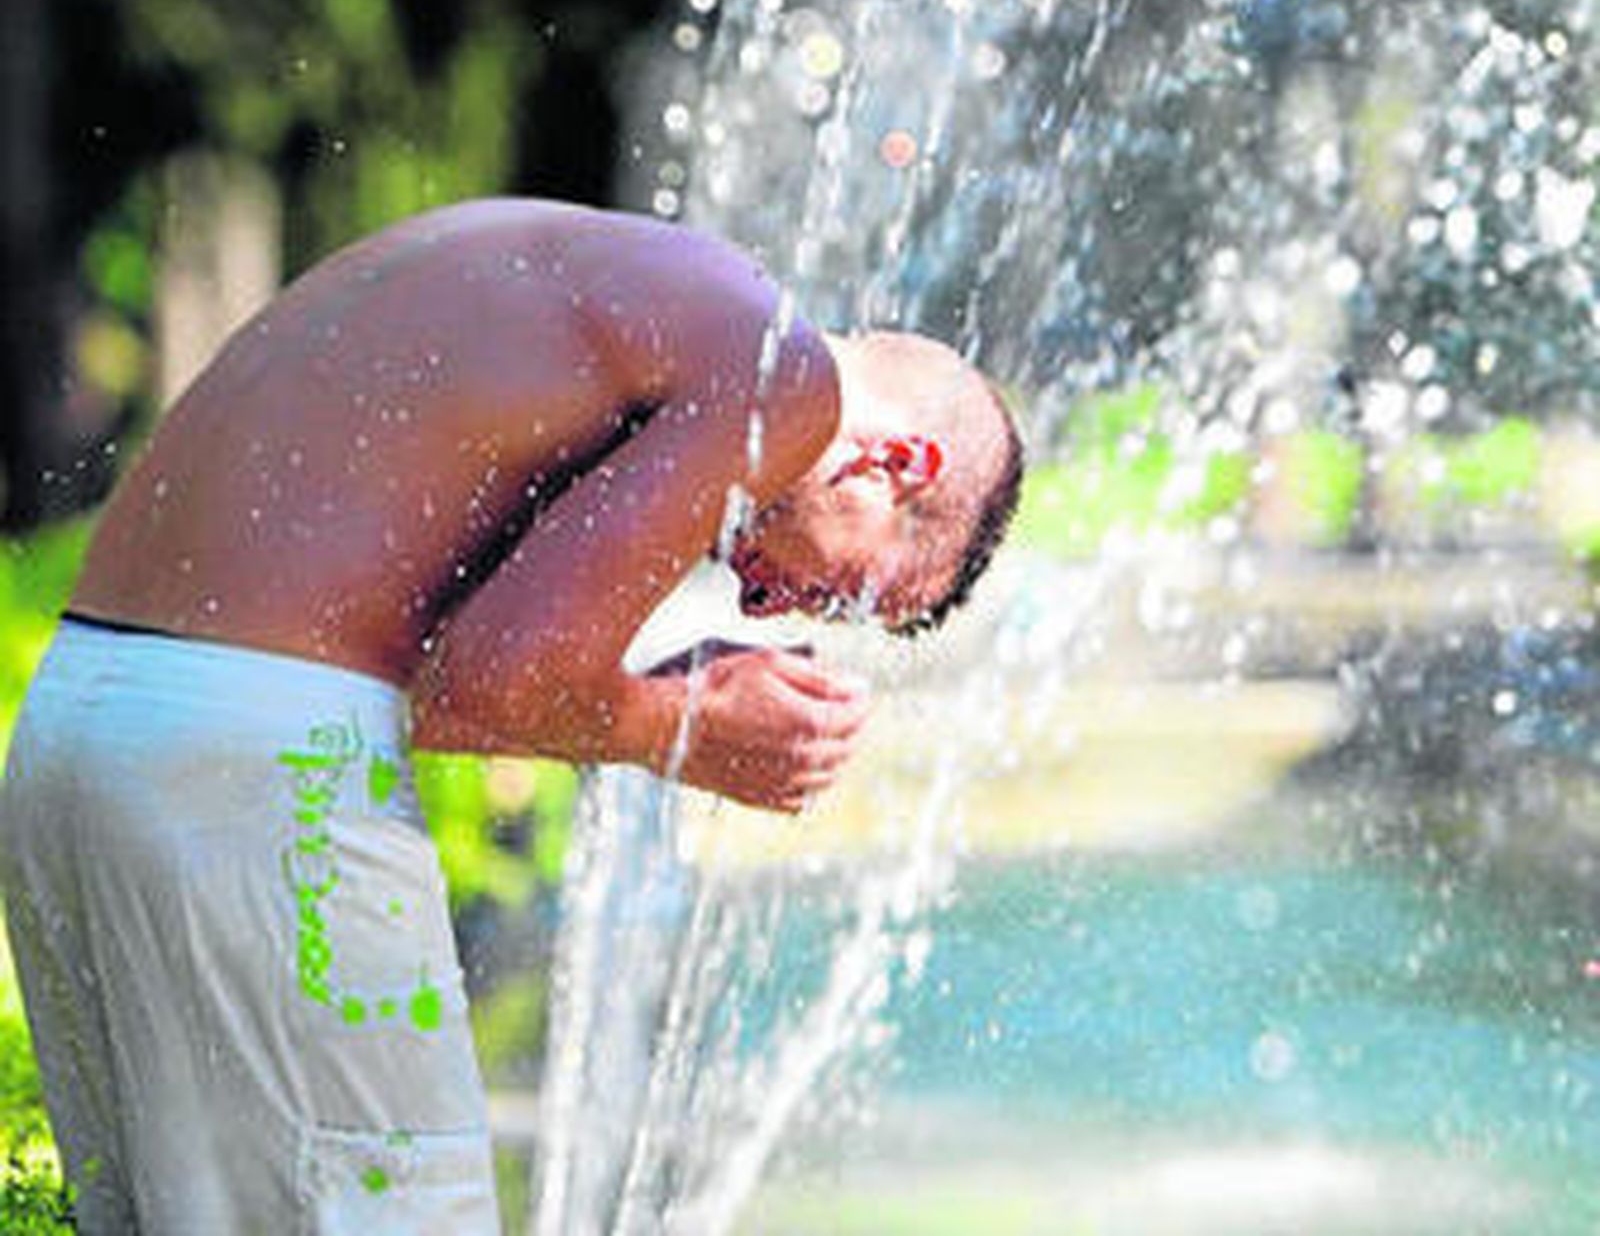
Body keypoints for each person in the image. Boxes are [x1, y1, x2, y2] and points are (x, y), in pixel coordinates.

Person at [0, 198, 1023, 1232]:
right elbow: (497, 683)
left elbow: (443, 694)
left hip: (90, 730)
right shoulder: (785, 375)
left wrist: (654, 697)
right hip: (261, 778)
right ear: (896, 469)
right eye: (840, 594)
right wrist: (691, 726)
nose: (767, 608)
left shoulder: (621, 290)